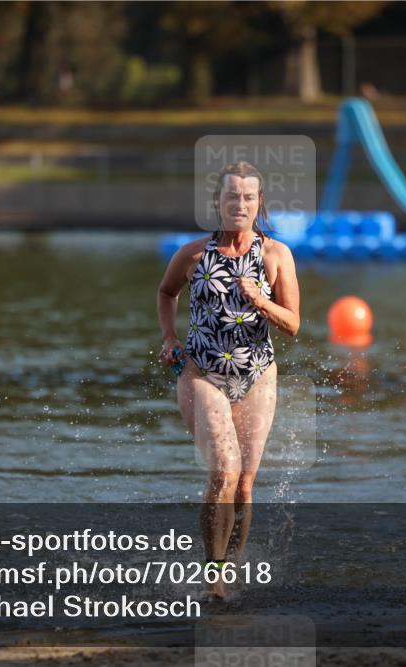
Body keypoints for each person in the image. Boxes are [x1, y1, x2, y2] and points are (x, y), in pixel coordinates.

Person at [157, 161, 301, 600]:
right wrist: (169, 337)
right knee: (223, 468)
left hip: (257, 374)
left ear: (259, 203)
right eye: (232, 196)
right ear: (217, 202)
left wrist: (260, 300)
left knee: (243, 484)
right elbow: (166, 293)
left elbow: (294, 324)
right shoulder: (193, 254)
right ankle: (214, 576)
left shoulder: (276, 255)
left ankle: (233, 566)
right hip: (202, 373)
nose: (240, 204)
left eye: (248, 197)